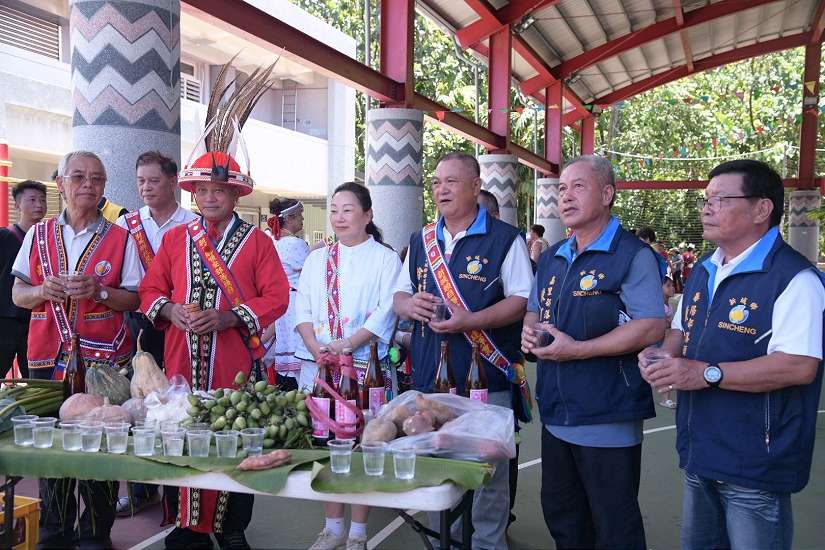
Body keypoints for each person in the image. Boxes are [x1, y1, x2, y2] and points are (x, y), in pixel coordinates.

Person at [638, 159, 825, 550]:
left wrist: (706, 374)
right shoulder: (705, 270)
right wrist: (662, 356)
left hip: (754, 464)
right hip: (699, 450)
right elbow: (681, 329)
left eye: (720, 199)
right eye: (706, 199)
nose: (706, 208)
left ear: (761, 209)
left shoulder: (796, 280)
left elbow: (799, 365)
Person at [139, 146, 289, 548]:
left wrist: (229, 317)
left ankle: (232, 526)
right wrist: (170, 310)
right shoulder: (174, 241)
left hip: (233, 363)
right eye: (202, 190)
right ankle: (186, 527)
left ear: (236, 195)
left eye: (218, 190)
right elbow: (150, 290)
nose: (209, 197)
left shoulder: (257, 242)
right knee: (181, 434)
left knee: (234, 436)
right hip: (181, 361)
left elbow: (277, 297)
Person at [520, 155, 666, 549]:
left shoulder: (632, 255)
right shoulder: (551, 257)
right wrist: (529, 333)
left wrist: (581, 349)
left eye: (578, 186)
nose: (566, 196)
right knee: (563, 516)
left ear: (607, 194)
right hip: (556, 411)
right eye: (562, 188)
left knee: (613, 524)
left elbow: (651, 324)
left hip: (608, 412)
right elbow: (535, 309)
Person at [394, 151, 533, 550]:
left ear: (475, 187)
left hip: (486, 379)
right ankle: (445, 541)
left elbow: (522, 299)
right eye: (437, 182)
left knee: (489, 474)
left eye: (452, 182)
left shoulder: (506, 239)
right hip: (431, 378)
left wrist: (469, 321)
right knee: (438, 468)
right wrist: (408, 305)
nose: (441, 190)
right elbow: (399, 294)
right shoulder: (420, 239)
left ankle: (489, 544)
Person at [12, 150, 143, 549]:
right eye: (79, 176)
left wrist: (101, 291)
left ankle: (95, 532)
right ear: (61, 183)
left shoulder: (121, 237)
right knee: (52, 446)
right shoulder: (38, 234)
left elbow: (135, 299)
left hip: (103, 363)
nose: (89, 184)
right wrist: (40, 290)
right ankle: (55, 528)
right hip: (47, 359)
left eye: (97, 179)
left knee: (100, 446)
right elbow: (18, 294)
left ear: (104, 188)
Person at [294, 182, 400, 550]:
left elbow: (388, 311)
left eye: (347, 209)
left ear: (368, 215)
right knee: (325, 446)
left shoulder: (385, 259)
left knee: (362, 445)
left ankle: (357, 532)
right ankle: (332, 526)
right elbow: (303, 309)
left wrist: (349, 344)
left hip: (364, 369)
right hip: (321, 368)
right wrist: (315, 346)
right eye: (334, 209)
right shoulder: (316, 259)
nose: (338, 217)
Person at [114, 151, 198, 517]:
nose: (146, 188)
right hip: (138, 325)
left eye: (154, 181)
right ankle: (139, 485)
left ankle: (182, 486)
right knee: (139, 402)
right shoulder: (127, 224)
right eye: (140, 181)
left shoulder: (193, 223)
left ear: (174, 181)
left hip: (182, 325)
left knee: (180, 399)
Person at [261, 198, 310, 390]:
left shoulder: (276, 242)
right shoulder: (295, 244)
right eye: (299, 216)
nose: (302, 220)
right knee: (300, 356)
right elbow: (311, 271)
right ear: (289, 218)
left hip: (282, 302)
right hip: (296, 302)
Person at [0, 180, 47, 378]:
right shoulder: (4, 237)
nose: (39, 205)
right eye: (32, 200)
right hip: (5, 319)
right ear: (17, 205)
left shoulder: (48, 239)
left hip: (36, 320)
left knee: (34, 378)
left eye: (43, 200)